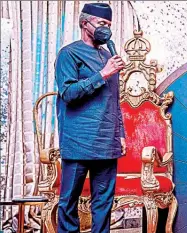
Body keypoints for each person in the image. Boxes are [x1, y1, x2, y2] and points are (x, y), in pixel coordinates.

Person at [54, 3, 126, 233]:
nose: (106, 29)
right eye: (102, 24)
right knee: (68, 202)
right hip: (78, 142)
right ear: (85, 23)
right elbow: (68, 94)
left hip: (107, 141)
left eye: (109, 25)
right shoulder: (69, 53)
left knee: (104, 204)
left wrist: (120, 134)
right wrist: (103, 73)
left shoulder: (108, 56)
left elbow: (114, 100)